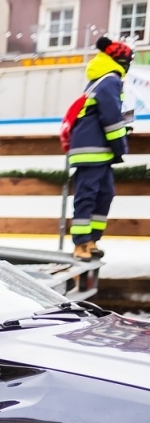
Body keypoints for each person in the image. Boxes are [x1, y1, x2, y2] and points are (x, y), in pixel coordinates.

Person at [67, 37, 134, 260]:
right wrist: (120, 146)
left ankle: (92, 240)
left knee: (105, 193)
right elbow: (112, 119)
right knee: (88, 195)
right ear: (121, 60)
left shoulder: (105, 80)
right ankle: (80, 244)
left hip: (98, 149)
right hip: (92, 149)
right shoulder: (109, 80)